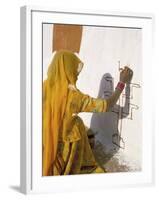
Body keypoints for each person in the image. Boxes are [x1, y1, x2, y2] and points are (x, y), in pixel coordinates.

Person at [42, 50, 133, 176]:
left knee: (78, 125)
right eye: (74, 70)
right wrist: (122, 83)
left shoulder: (42, 87)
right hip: (61, 150)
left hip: (42, 145)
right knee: (77, 124)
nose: (77, 75)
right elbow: (106, 105)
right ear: (67, 69)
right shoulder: (72, 96)